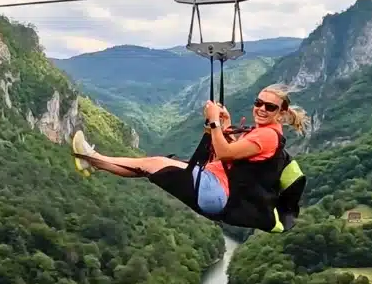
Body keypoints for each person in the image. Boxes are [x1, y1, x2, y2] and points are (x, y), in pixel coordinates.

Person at [70, 84, 308, 228]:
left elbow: (224, 153)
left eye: (270, 107)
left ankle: (90, 157)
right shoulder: (265, 133)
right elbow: (236, 154)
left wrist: (214, 120)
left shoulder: (267, 136)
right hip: (218, 191)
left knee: (151, 164)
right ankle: (93, 161)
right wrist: (224, 126)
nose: (261, 109)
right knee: (150, 167)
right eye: (259, 103)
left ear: (281, 113)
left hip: (217, 192)